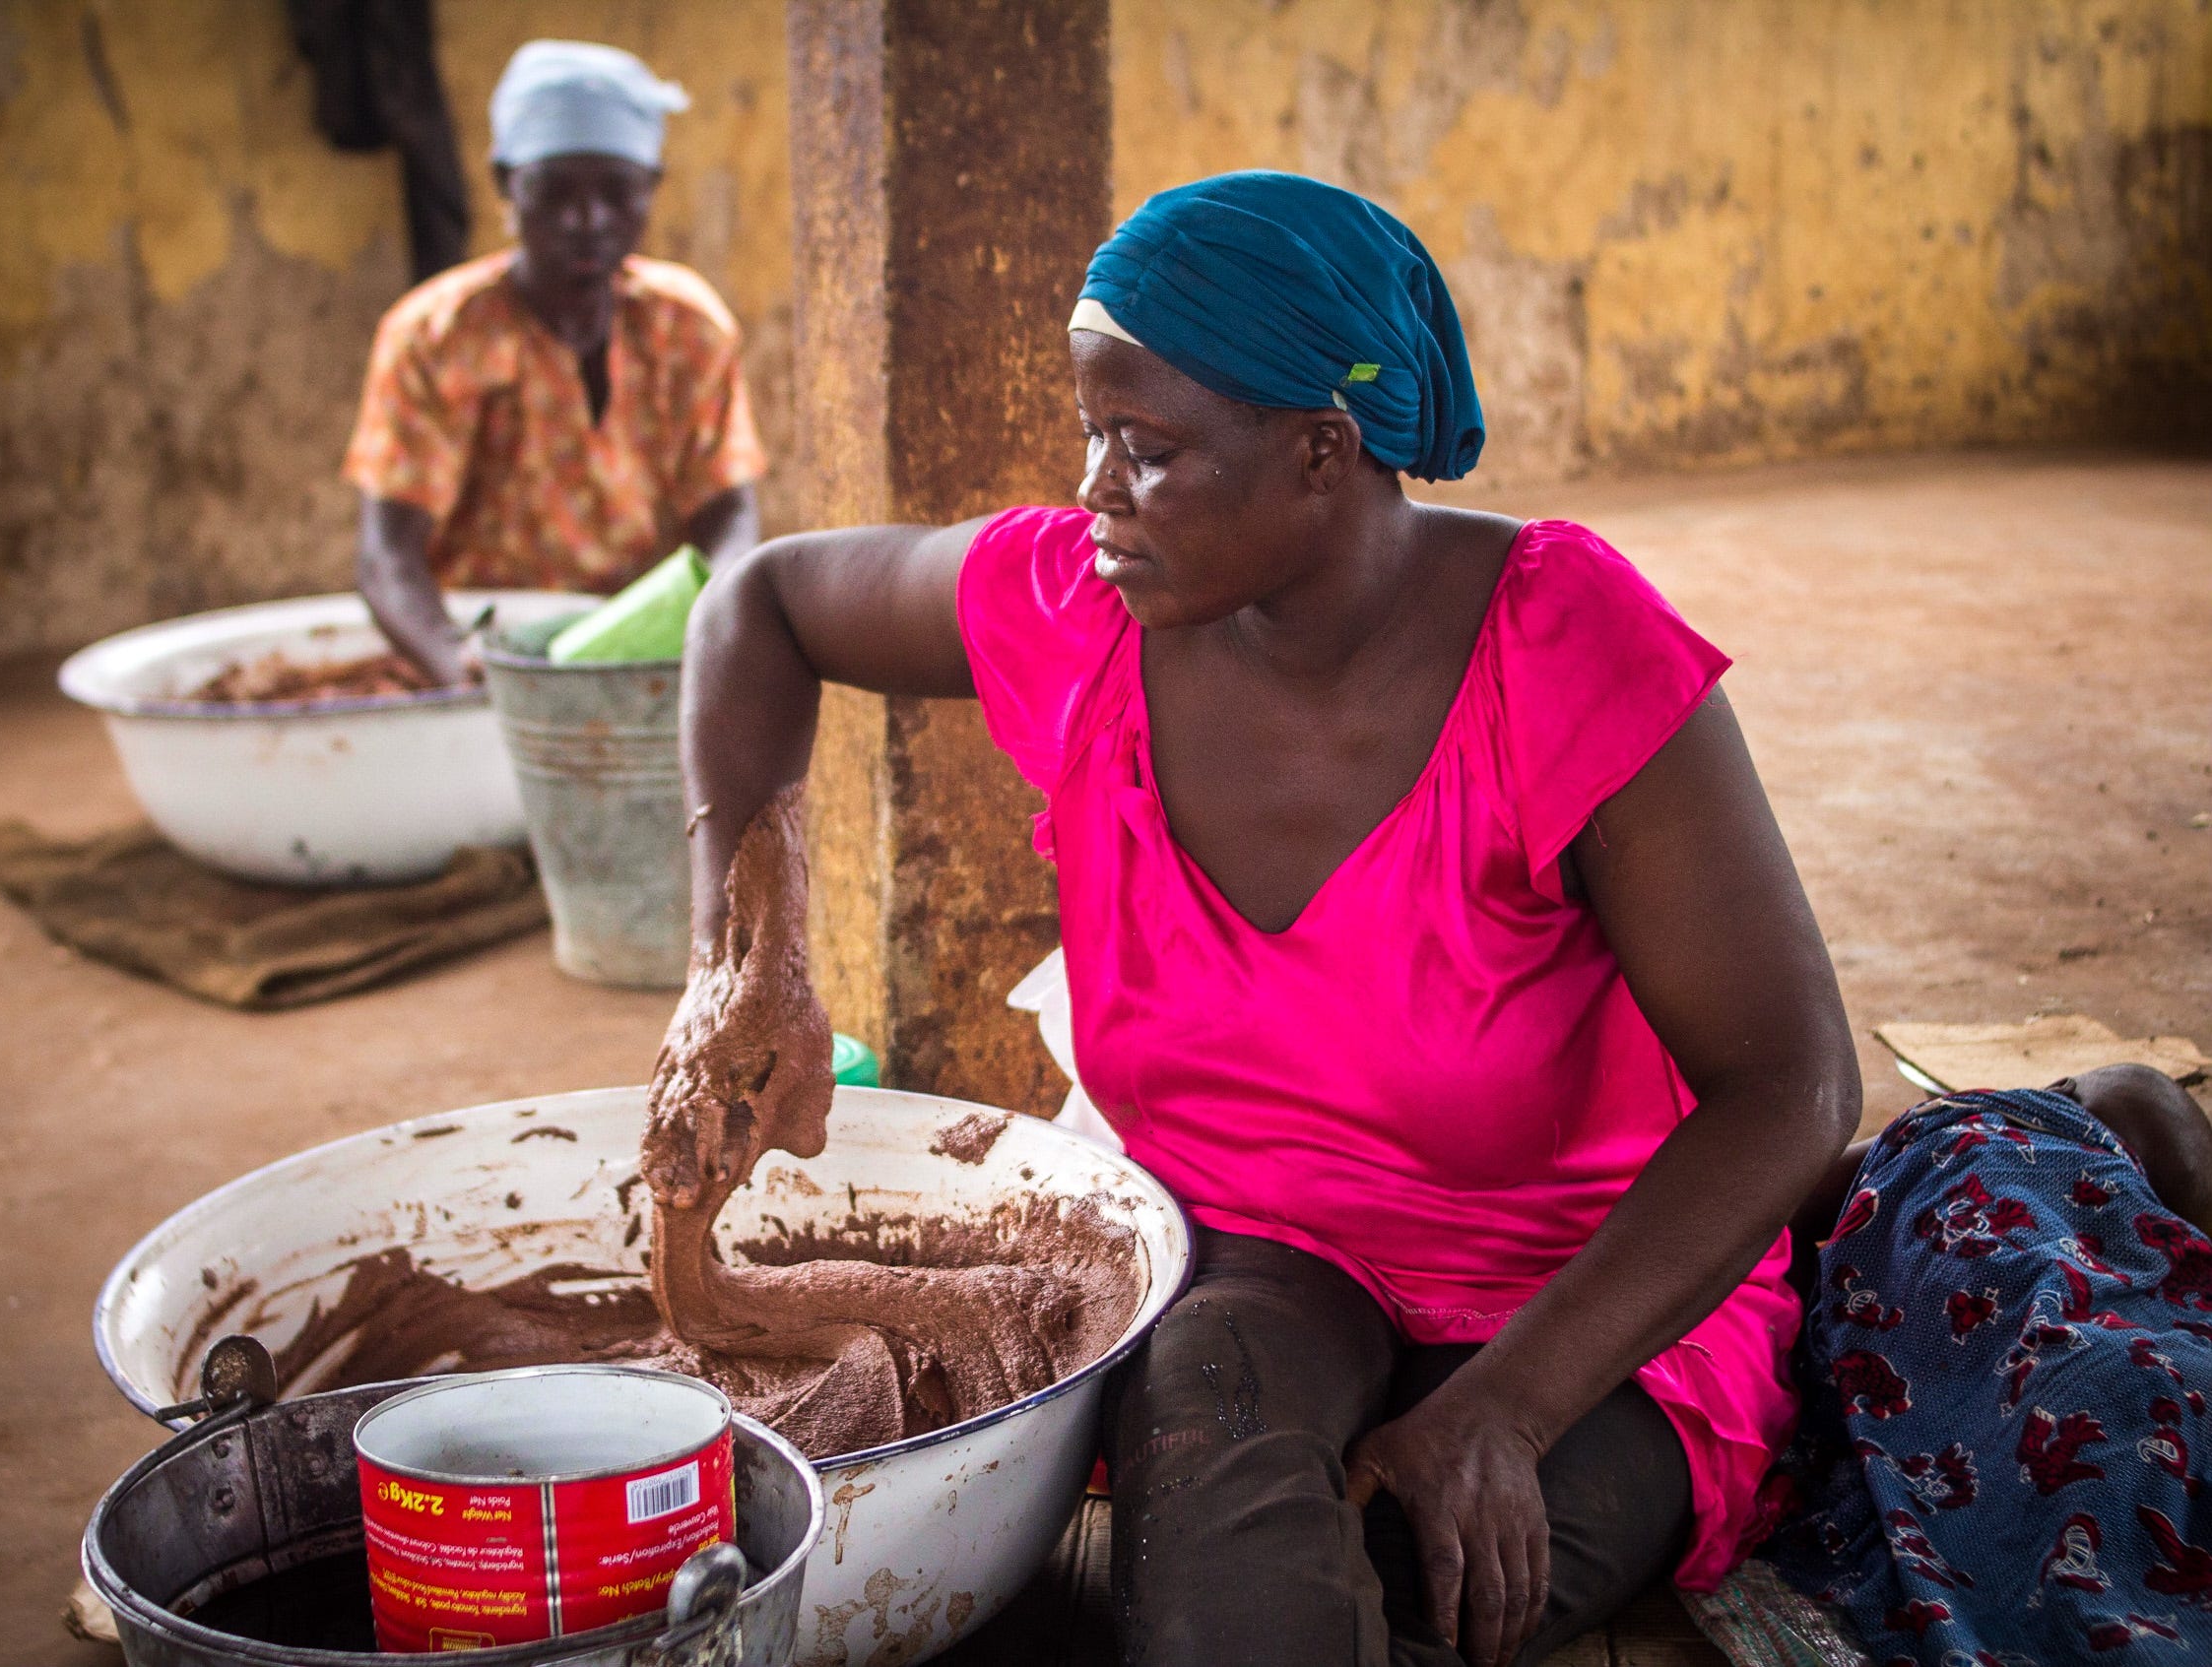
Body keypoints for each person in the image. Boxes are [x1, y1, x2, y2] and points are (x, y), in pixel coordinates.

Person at [662, 170, 1861, 1666]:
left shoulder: (1556, 643)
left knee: (1424, 1577)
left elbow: (1791, 1082)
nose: (1093, 487)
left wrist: (1504, 1408)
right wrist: (745, 960)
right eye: (1093, 432)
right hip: (1271, 1251)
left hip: (1585, 1288)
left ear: (1322, 452)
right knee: (1225, 1588)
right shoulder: (1082, 615)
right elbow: (758, 607)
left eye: (1146, 450)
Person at [344, 40, 766, 683]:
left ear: (652, 189)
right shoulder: (434, 337)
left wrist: (706, 617)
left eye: (618, 192)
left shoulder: (687, 328)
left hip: (640, 655)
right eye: (554, 191)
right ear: (505, 183)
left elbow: (729, 510)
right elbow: (388, 553)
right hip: (481, 648)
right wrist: (455, 660)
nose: (586, 219)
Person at [1762, 1063, 2212, 1660]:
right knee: (2124, 1381)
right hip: (2065, 1333)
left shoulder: (1927, 1137)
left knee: (2108, 1385)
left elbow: (1768, 1219)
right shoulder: (1959, 1132)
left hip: (2033, 1321)